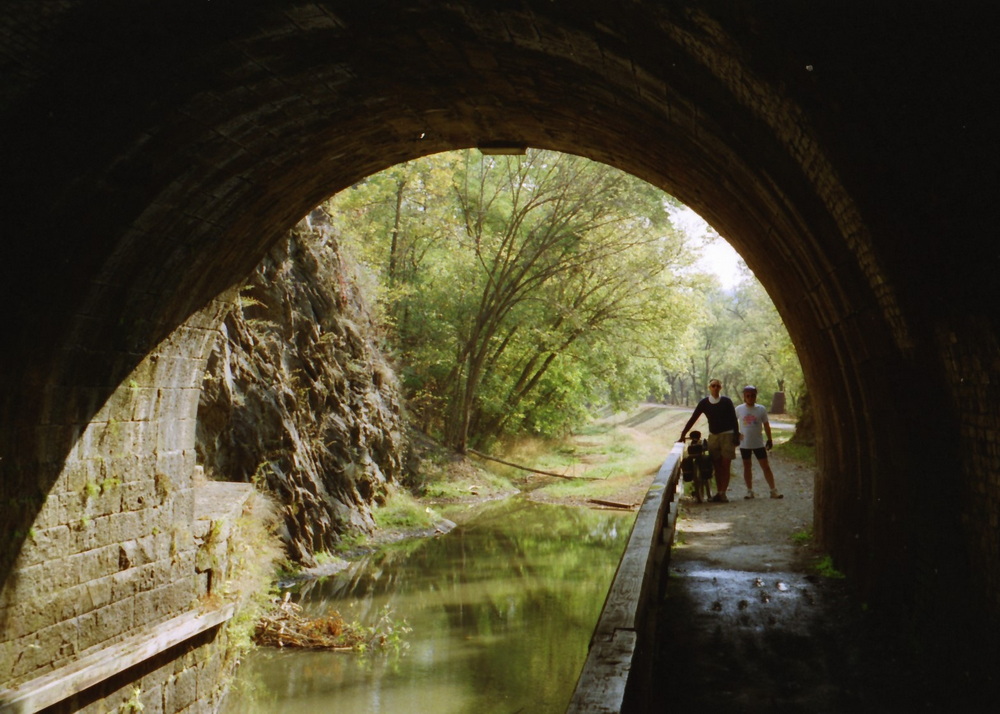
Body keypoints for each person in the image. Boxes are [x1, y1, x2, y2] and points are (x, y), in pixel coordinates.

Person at [679, 379, 739, 502]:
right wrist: (683, 434)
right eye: (713, 386)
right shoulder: (704, 403)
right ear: (709, 387)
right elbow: (693, 418)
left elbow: (734, 419)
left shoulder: (726, 402)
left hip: (727, 435)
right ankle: (719, 493)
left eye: (718, 386)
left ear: (720, 388)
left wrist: (736, 435)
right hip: (713, 436)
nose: (715, 388)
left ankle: (722, 492)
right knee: (716, 465)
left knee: (725, 464)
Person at [735, 385, 782, 499]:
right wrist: (736, 434)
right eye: (748, 396)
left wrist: (770, 439)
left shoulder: (761, 409)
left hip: (758, 443)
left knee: (765, 466)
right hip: (745, 443)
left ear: (756, 396)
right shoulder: (739, 409)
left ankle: (773, 490)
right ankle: (749, 491)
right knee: (747, 466)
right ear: (744, 397)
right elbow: (732, 423)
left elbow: (766, 425)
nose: (750, 398)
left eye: (753, 396)